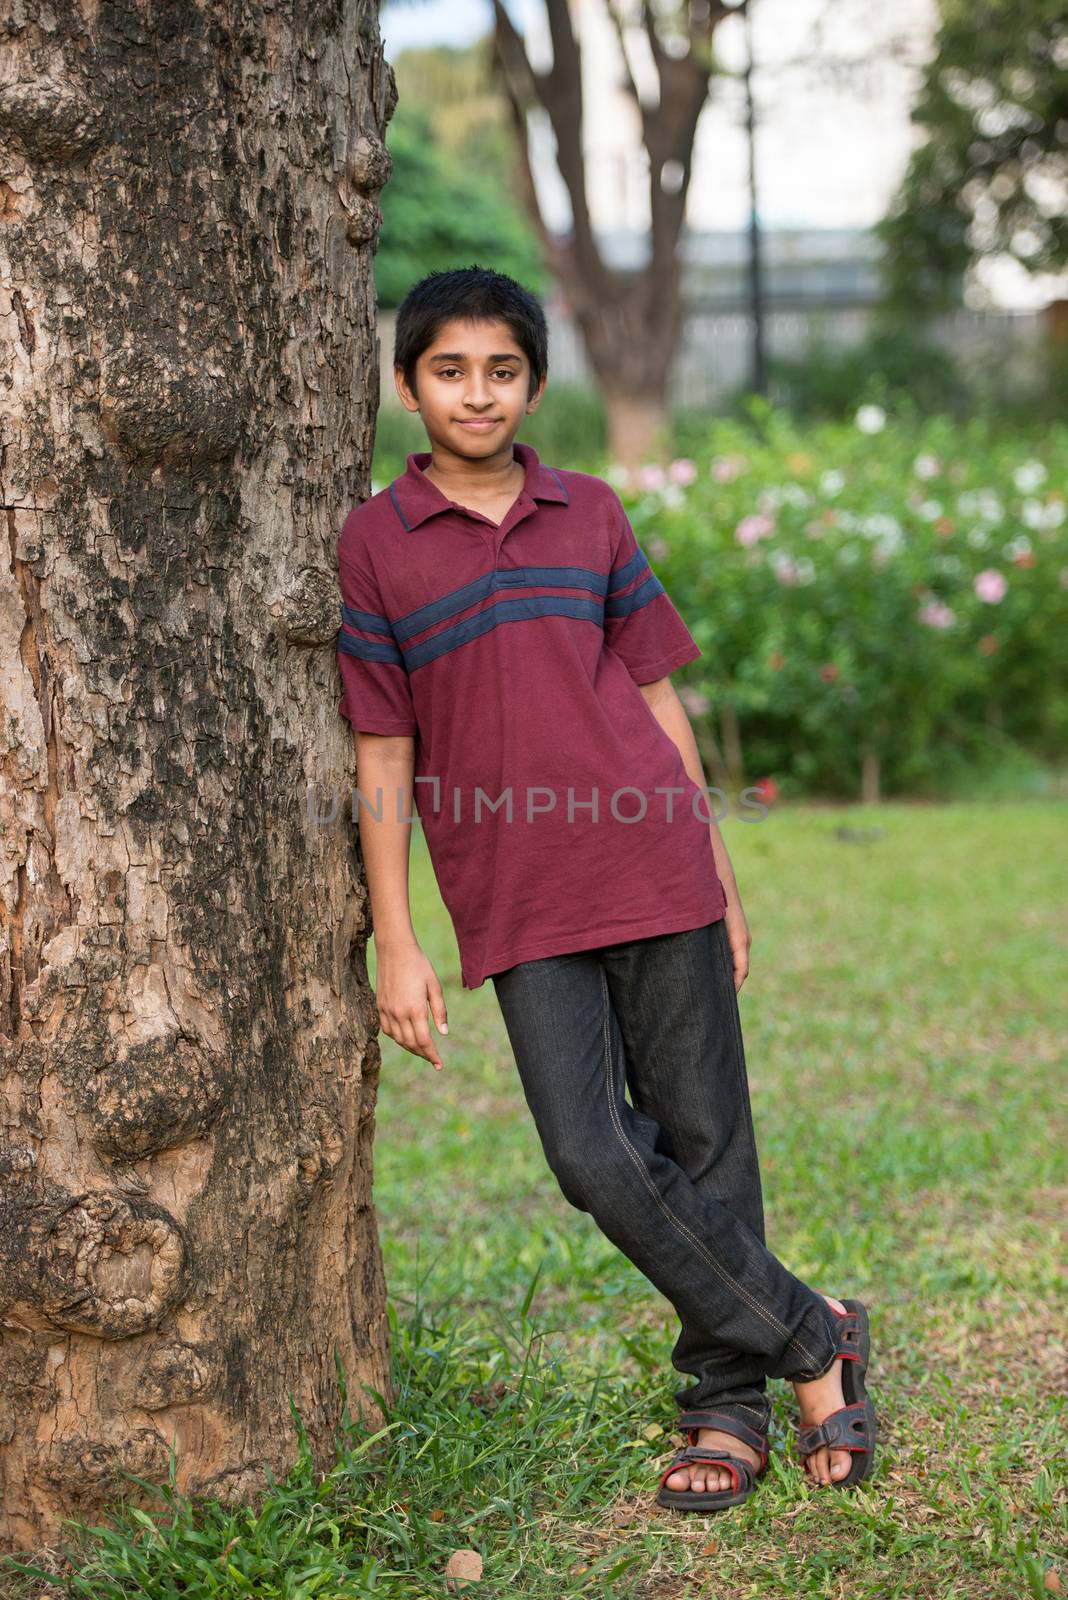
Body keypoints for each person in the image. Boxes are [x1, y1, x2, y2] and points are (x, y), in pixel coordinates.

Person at [335, 265, 877, 1512]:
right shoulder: (375, 542)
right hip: (517, 895)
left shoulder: (591, 512)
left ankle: (725, 1404)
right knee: (591, 1151)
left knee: (703, 1139)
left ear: (533, 379)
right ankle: (815, 1333)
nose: (479, 393)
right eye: (451, 369)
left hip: (653, 859)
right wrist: (396, 941)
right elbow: (381, 748)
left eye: (504, 368)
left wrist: (721, 869)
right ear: (409, 383)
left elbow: (653, 695)